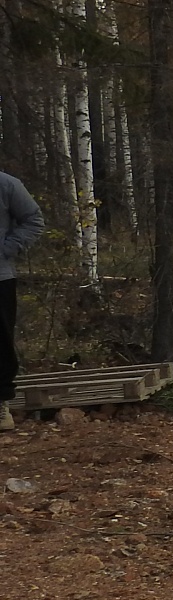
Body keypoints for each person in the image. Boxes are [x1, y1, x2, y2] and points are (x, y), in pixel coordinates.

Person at [0, 170, 44, 431]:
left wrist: (7, 248)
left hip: (0, 278)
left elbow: (33, 219)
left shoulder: (6, 184)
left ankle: (1, 404)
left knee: (1, 343)